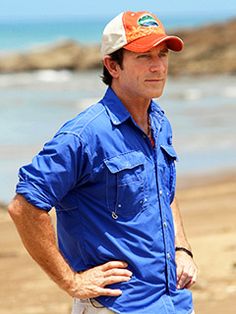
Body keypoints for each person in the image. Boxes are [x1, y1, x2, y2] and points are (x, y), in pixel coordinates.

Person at [8, 10, 198, 314]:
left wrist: (181, 248)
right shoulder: (84, 135)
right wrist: (71, 282)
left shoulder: (159, 121)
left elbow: (164, 189)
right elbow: (24, 207)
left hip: (171, 301)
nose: (158, 66)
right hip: (116, 306)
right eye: (143, 56)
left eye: (162, 55)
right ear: (113, 65)